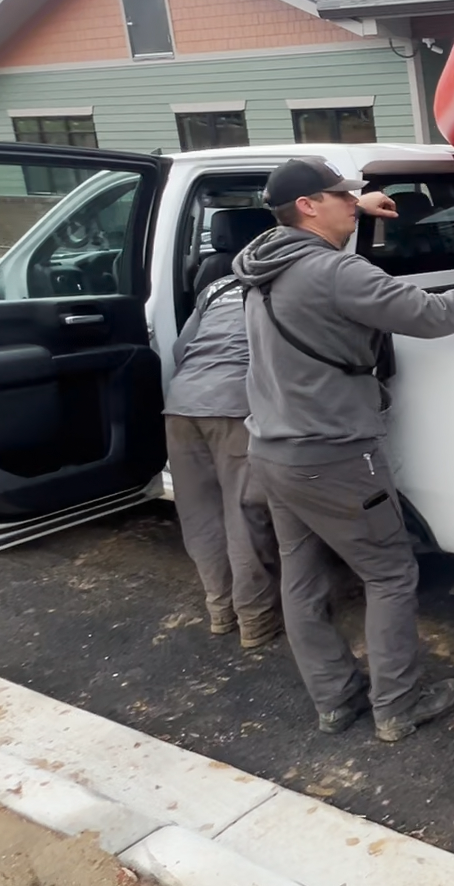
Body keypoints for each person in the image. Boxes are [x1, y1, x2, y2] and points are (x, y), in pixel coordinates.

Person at [233, 157, 454, 742]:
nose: (354, 203)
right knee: (389, 575)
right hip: (336, 454)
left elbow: (330, 284)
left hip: (273, 451)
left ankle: (335, 701)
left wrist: (362, 217)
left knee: (302, 581)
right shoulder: (333, 272)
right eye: (342, 196)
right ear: (308, 206)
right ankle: (398, 706)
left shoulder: (264, 260)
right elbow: (430, 315)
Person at [165, 261, 279, 649]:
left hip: (181, 404)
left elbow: (182, 348)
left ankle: (220, 611)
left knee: (199, 514)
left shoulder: (218, 287)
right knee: (243, 514)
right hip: (236, 405)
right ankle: (256, 619)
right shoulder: (291, 280)